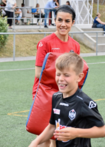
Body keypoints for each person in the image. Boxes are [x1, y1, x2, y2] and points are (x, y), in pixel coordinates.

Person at [29, 52, 105, 147]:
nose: (61, 79)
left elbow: (103, 131)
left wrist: (76, 133)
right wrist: (36, 142)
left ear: (79, 77)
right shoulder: (56, 97)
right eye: (58, 74)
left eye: (66, 75)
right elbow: (52, 127)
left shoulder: (83, 102)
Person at [32, 5, 80, 147]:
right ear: (55, 21)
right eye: (60, 20)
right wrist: (64, 78)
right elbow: (38, 73)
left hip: (64, 94)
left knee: (58, 135)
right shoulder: (45, 43)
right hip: (44, 94)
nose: (63, 24)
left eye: (67, 21)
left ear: (72, 23)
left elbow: (75, 72)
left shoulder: (75, 46)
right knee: (44, 136)